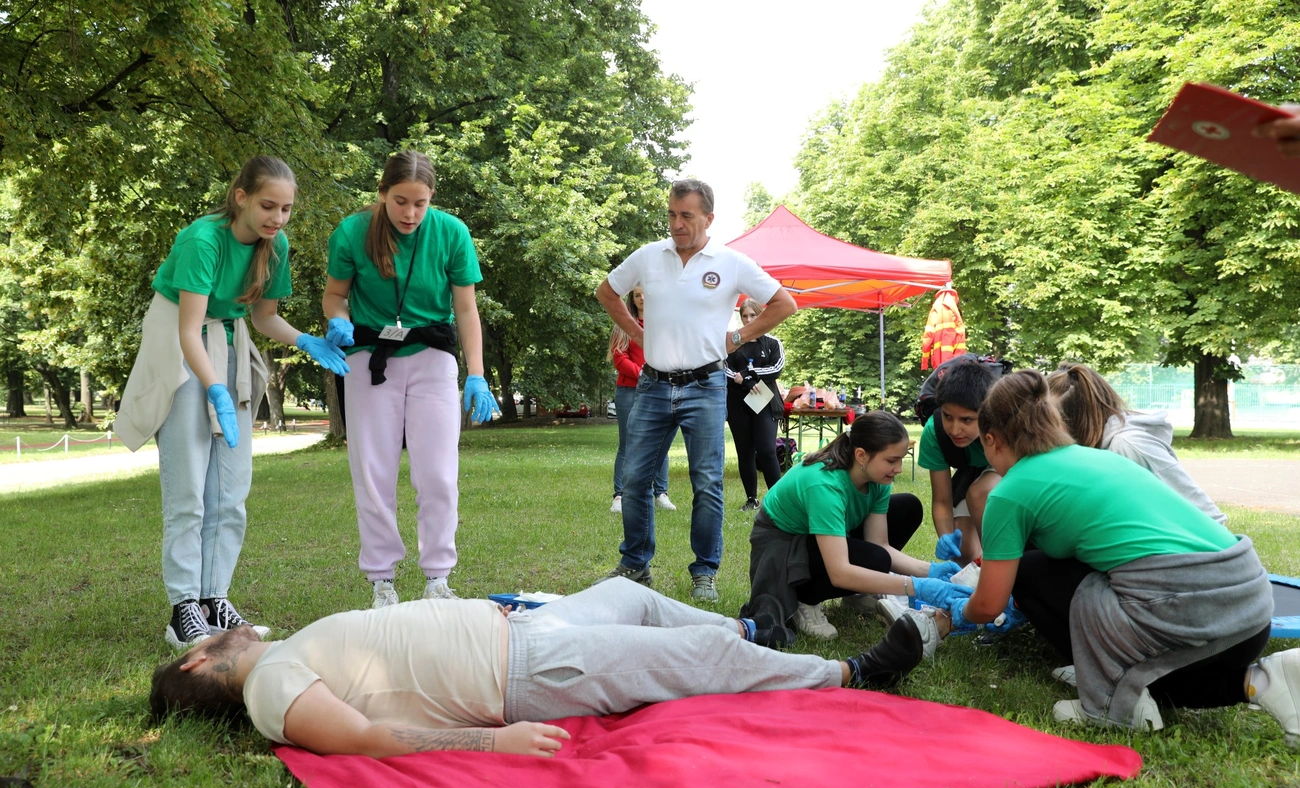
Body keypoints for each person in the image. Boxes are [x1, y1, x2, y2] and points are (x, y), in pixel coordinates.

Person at [148, 578, 929, 756]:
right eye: (221, 629)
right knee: (701, 658)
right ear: (201, 658)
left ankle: (750, 631)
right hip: (527, 670)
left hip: (522, 629)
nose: (235, 622)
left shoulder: (276, 656)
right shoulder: (269, 688)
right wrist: (494, 744)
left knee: (632, 594)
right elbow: (362, 739)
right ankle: (853, 676)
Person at [950, 370, 1297, 744]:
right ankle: (1266, 680)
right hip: (1249, 606)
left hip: (1194, 616)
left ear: (990, 439)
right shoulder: (1097, 457)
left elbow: (988, 604)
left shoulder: (1010, 491)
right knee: (1155, 684)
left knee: (1032, 576)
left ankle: (1111, 698)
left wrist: (955, 612)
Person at [116, 156, 350, 650]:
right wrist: (213, 387)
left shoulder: (275, 246)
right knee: (189, 489)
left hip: (228, 339)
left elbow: (265, 318)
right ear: (241, 197)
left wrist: (306, 340)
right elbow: (187, 328)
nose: (278, 218)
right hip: (178, 341)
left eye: (286, 209)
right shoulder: (203, 240)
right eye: (269, 206)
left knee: (231, 488)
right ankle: (184, 608)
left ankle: (214, 600)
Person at [594, 178, 797, 602]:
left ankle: (705, 570)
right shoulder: (649, 256)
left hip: (706, 384)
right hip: (652, 384)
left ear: (708, 217)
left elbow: (784, 304)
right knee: (634, 479)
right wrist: (636, 330)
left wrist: (739, 337)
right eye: (671, 214)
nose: (677, 223)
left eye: (686, 215)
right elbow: (606, 292)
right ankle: (635, 565)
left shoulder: (731, 262)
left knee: (707, 483)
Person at [322, 151, 499, 609]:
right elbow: (335, 295)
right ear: (381, 194)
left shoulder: (451, 233)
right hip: (369, 357)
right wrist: (337, 320)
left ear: (431, 198)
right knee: (373, 471)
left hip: (431, 356)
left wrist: (476, 374)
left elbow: (465, 308)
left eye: (420, 203)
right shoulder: (353, 232)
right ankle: (382, 580)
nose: (410, 213)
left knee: (439, 474)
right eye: (400, 201)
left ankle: (438, 577)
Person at [741, 411, 970, 644]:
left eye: (901, 459)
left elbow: (879, 544)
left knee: (907, 508)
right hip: (784, 548)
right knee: (876, 560)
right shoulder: (824, 484)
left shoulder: (875, 477)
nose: (899, 468)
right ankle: (804, 598)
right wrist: (916, 587)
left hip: (817, 539)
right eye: (892, 460)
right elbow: (840, 572)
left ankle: (856, 594)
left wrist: (930, 571)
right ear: (861, 455)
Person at [1046, 363, 1226, 524]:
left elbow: (1207, 515)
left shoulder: (1128, 445)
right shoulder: (1092, 451)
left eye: (1050, 419)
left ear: (1078, 420)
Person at [917, 360, 1002, 564]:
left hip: (1007, 467)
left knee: (979, 493)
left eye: (967, 420)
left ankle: (997, 567)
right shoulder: (934, 431)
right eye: (948, 416)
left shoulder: (1005, 424)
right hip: (971, 470)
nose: (954, 430)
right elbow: (942, 500)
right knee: (962, 549)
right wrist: (946, 537)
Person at [608, 286, 675, 514]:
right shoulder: (624, 325)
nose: (643, 297)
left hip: (660, 390)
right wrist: (642, 374)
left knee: (661, 443)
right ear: (633, 299)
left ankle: (661, 493)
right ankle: (620, 495)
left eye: (646, 293)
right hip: (629, 391)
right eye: (637, 295)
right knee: (628, 444)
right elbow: (619, 358)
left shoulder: (663, 325)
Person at [725, 298, 786, 513]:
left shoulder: (772, 343)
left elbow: (776, 369)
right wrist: (743, 378)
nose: (749, 319)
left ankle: (778, 500)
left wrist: (748, 374)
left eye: (753, 315)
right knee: (745, 452)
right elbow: (726, 370)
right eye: (745, 315)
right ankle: (751, 499)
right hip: (737, 403)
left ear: (761, 315)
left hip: (765, 400)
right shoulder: (732, 342)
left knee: (767, 450)